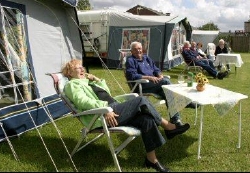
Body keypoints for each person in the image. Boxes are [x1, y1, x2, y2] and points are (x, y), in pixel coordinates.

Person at [62, 59, 190, 172]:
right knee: (141, 100)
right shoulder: (72, 85)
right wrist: (105, 109)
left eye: (82, 66)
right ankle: (169, 127)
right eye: (77, 67)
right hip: (101, 115)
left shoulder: (87, 82)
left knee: (146, 119)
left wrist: (96, 80)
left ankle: (151, 160)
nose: (82, 69)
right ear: (69, 72)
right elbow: (82, 102)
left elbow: (107, 92)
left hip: (114, 109)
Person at [125, 41, 192, 126]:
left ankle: (176, 120)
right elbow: (132, 75)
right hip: (142, 85)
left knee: (168, 94)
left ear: (142, 49)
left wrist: (159, 75)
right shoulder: (130, 60)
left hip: (155, 84)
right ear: (131, 51)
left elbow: (156, 69)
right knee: (166, 82)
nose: (138, 51)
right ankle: (183, 100)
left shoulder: (146, 58)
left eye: (139, 48)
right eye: (135, 49)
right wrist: (149, 77)